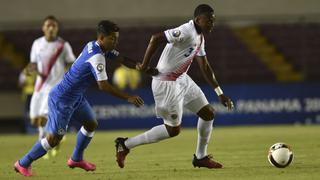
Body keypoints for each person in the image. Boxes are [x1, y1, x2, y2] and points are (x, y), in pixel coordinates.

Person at [14, 20, 148, 177]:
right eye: (113, 38)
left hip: (75, 97)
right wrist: (128, 97)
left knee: (91, 123)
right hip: (62, 99)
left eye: (117, 38)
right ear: (102, 37)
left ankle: (76, 159)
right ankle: (23, 163)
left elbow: (122, 59)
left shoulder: (97, 46)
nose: (116, 42)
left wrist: (139, 65)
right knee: (53, 139)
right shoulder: (97, 56)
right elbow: (103, 86)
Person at [115, 4, 234, 169]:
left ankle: (200, 157)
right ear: (198, 19)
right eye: (208, 21)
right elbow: (155, 38)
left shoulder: (200, 37)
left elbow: (205, 66)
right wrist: (144, 65)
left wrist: (219, 92)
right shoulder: (186, 31)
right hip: (166, 82)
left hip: (182, 79)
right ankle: (126, 144)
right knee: (173, 130)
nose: (211, 24)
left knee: (208, 113)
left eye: (213, 21)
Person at [25, 15, 75, 146]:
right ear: (43, 28)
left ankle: (43, 141)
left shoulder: (63, 45)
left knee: (43, 117)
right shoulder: (37, 43)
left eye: (54, 25)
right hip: (39, 87)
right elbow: (33, 63)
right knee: (34, 120)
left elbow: (71, 63)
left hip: (54, 87)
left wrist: (68, 77)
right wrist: (29, 69)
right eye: (48, 25)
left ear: (57, 28)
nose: (51, 28)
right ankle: (58, 133)